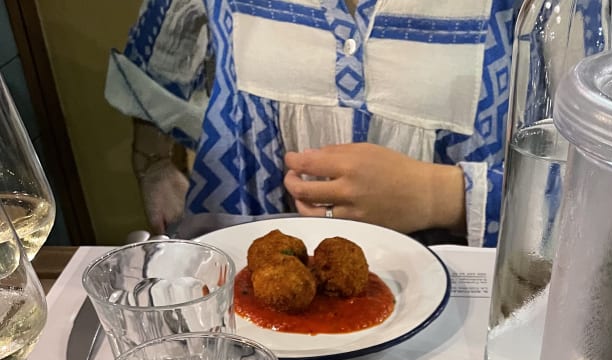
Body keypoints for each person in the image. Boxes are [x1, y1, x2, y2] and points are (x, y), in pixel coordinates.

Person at [104, 0, 543, 245]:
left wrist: (441, 197)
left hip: (456, 301)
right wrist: (154, 163)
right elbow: (158, 60)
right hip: (245, 267)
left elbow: (594, 189)